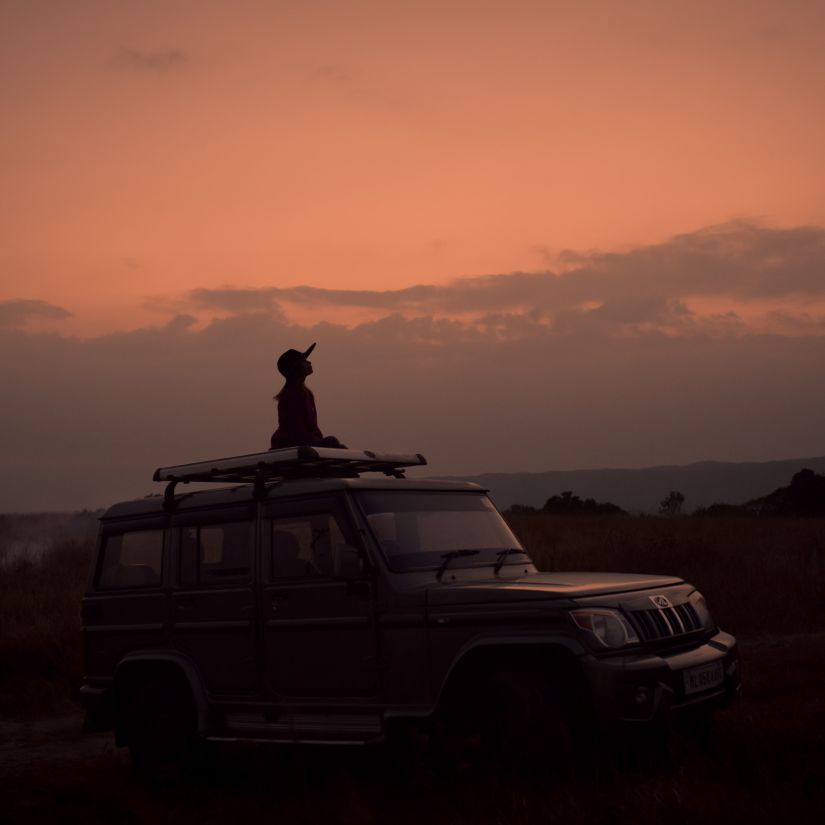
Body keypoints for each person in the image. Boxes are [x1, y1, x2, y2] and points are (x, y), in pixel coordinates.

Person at [269, 343, 347, 450]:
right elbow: (295, 429)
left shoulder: (306, 393)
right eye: (304, 361)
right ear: (296, 368)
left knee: (336, 445)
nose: (309, 362)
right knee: (332, 442)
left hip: (306, 441)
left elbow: (311, 427)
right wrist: (317, 442)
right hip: (293, 444)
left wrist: (318, 441)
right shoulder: (291, 395)